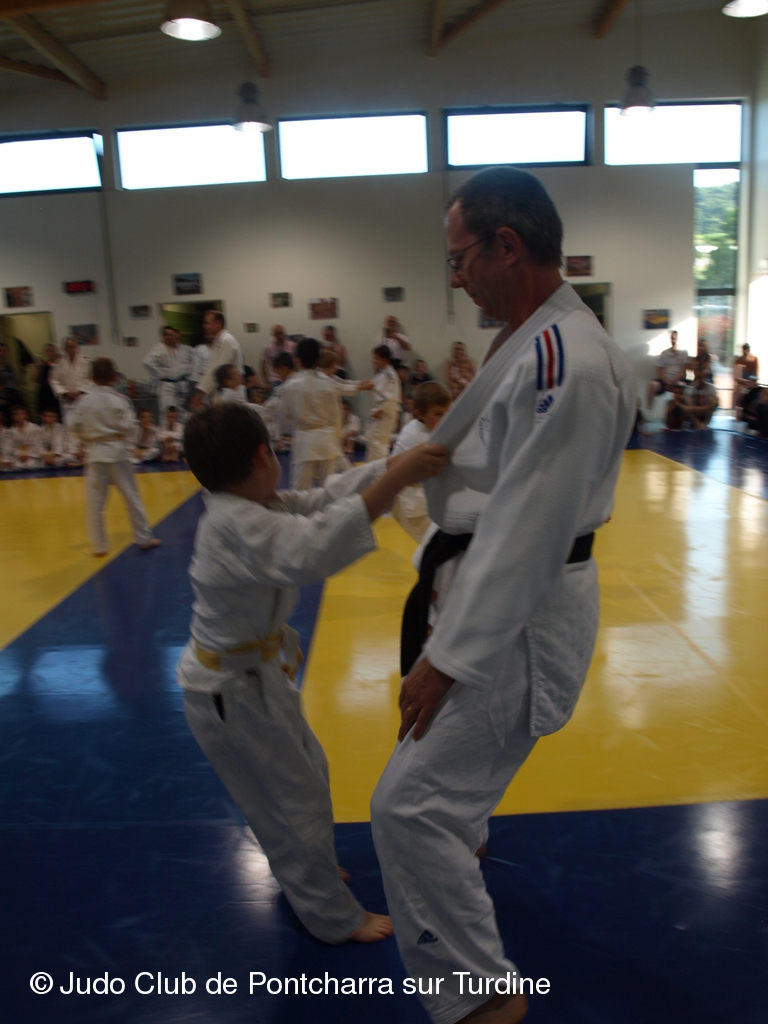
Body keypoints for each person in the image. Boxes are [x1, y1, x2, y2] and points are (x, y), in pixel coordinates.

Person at [370, 166, 636, 1024]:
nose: (456, 278)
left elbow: (529, 528)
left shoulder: (568, 359)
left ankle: (481, 996)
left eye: (459, 260)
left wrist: (447, 658)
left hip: (520, 613)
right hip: (484, 590)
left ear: (507, 246)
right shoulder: (527, 341)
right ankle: (465, 852)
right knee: (438, 799)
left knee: (407, 808)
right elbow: (487, 480)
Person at [176, 402, 447, 946]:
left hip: (254, 678)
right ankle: (331, 916)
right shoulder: (233, 525)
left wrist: (392, 466)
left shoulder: (253, 505)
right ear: (263, 455)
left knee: (306, 778)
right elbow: (313, 547)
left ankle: (307, 868)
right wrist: (397, 478)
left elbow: (324, 501)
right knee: (289, 801)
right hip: (230, 693)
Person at [68, 358, 161, 557]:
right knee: (132, 497)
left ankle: (99, 547)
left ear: (91, 378)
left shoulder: (83, 401)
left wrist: (88, 438)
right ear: (114, 377)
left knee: (95, 504)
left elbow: (72, 425)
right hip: (117, 452)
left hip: (95, 452)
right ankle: (144, 538)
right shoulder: (119, 400)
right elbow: (129, 428)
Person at [278, 338, 367, 489]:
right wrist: (338, 437)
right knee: (328, 488)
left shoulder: (289, 386)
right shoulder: (328, 385)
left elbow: (285, 418)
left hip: (304, 441)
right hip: (327, 440)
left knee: (301, 490)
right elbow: (336, 415)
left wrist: (286, 436)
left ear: (297, 359)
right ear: (318, 360)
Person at [391, 382, 452, 543]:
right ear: (419, 414)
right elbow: (392, 470)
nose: (445, 419)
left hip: (425, 498)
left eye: (448, 412)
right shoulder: (413, 435)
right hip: (413, 503)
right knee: (428, 544)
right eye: (438, 414)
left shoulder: (432, 429)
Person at [143, 325, 193, 418]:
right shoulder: (159, 348)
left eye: (173, 334)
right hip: (167, 385)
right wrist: (160, 374)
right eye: (168, 335)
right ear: (163, 336)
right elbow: (147, 362)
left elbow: (194, 363)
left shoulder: (185, 349)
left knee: (183, 412)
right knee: (167, 411)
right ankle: (167, 427)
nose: (171, 337)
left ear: (177, 335)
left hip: (182, 384)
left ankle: (181, 427)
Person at [193, 311, 243, 405]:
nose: (204, 326)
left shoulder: (226, 341)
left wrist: (201, 393)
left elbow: (218, 369)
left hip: (231, 390)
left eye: (207, 323)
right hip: (225, 389)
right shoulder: (220, 341)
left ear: (218, 324)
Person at [364, 345, 401, 461]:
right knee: (374, 442)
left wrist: (381, 410)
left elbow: (391, 397)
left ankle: (380, 470)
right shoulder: (382, 374)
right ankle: (374, 469)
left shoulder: (390, 375)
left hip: (385, 414)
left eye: (376, 358)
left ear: (385, 360)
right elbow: (372, 386)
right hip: (380, 412)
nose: (373, 361)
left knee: (378, 443)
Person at [646, 330, 688, 409]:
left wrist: (673, 381)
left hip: (678, 380)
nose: (673, 340)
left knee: (683, 387)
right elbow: (659, 369)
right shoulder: (664, 353)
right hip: (665, 380)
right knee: (652, 384)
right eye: (671, 338)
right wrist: (666, 381)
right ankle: (649, 411)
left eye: (674, 338)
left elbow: (683, 371)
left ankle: (681, 412)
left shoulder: (684, 353)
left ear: (678, 338)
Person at [50, 337, 91, 414]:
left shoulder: (86, 362)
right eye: (68, 347)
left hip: (83, 397)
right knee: (69, 419)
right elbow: (54, 380)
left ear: (77, 348)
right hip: (67, 399)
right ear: (64, 349)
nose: (71, 349)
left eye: (73, 347)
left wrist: (81, 392)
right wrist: (65, 392)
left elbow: (90, 379)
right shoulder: (59, 363)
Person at [2, 404, 40, 470]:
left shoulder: (34, 427)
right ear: (12, 417)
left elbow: (38, 443)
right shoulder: (10, 431)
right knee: (16, 466)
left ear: (26, 415)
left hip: (32, 455)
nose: (20, 416)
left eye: (22, 413)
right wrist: (17, 455)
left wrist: (29, 454)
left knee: (31, 464)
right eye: (16, 414)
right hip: (17, 456)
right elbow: (8, 446)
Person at [261, 324, 296, 390]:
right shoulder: (268, 348)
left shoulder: (292, 346)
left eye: (281, 333)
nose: (280, 336)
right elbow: (263, 366)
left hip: (290, 378)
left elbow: (297, 362)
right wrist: (266, 382)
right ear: (273, 335)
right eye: (278, 333)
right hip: (275, 379)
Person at [35, 342, 61, 417]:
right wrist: (38, 367)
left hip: (56, 392)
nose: (50, 353)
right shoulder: (43, 364)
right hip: (45, 392)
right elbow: (36, 379)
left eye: (52, 351)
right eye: (48, 351)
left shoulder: (60, 364)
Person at [734, 343, 759, 419]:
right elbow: (737, 377)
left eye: (746, 350)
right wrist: (746, 382)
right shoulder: (739, 360)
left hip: (751, 384)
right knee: (739, 394)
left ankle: (749, 414)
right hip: (742, 384)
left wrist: (750, 383)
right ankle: (739, 415)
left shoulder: (754, 359)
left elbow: (755, 375)